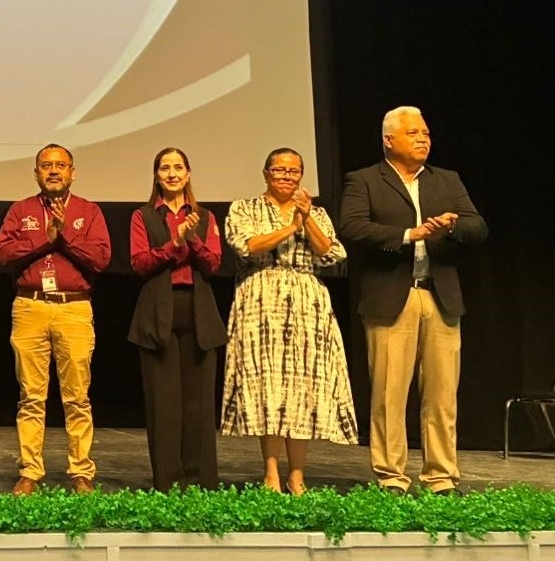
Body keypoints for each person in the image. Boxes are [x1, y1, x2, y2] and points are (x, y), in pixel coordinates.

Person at [338, 106, 487, 495]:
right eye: (413, 133)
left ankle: (441, 477)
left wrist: (452, 226)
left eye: (426, 133)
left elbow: (477, 226)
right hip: (391, 297)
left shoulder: (446, 180)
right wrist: (409, 234)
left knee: (442, 395)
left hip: (440, 295)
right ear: (389, 140)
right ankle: (391, 476)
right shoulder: (364, 180)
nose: (423, 139)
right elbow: (351, 227)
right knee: (389, 393)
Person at [221, 147, 357, 495]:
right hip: (261, 295)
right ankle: (270, 472)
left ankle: (297, 475)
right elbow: (247, 245)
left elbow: (332, 253)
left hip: (306, 299)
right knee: (268, 387)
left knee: (303, 388)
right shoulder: (245, 208)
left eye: (293, 171)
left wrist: (306, 219)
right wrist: (290, 228)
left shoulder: (316, 212)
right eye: (280, 170)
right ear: (266, 173)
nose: (287, 176)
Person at [0, 144, 110, 495]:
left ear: (73, 172)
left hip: (74, 307)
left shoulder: (88, 211)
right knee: (31, 396)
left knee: (77, 397)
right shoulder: (21, 210)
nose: (54, 170)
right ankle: (30, 471)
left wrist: (65, 236)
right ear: (36, 173)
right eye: (46, 165)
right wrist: (46, 239)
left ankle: (81, 472)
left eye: (61, 165)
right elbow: (2, 252)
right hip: (30, 306)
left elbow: (101, 258)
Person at [127, 147, 225, 492]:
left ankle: (200, 482)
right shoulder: (143, 216)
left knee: (198, 404)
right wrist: (174, 242)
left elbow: (213, 264)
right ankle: (168, 483)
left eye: (178, 167)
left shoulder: (204, 216)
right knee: (163, 403)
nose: (171, 174)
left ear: (188, 174)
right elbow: (139, 263)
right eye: (165, 168)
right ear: (156, 176)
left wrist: (191, 238)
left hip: (198, 311)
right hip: (158, 310)